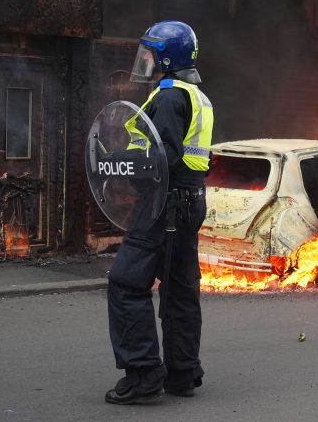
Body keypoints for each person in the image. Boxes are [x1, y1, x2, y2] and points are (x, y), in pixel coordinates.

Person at [104, 20, 214, 405]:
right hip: (189, 202)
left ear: (167, 57)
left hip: (162, 204)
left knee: (126, 282)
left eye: (150, 52)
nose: (145, 59)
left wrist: (119, 161)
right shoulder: (196, 95)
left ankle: (144, 375)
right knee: (181, 288)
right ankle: (183, 372)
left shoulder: (167, 96)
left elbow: (163, 156)